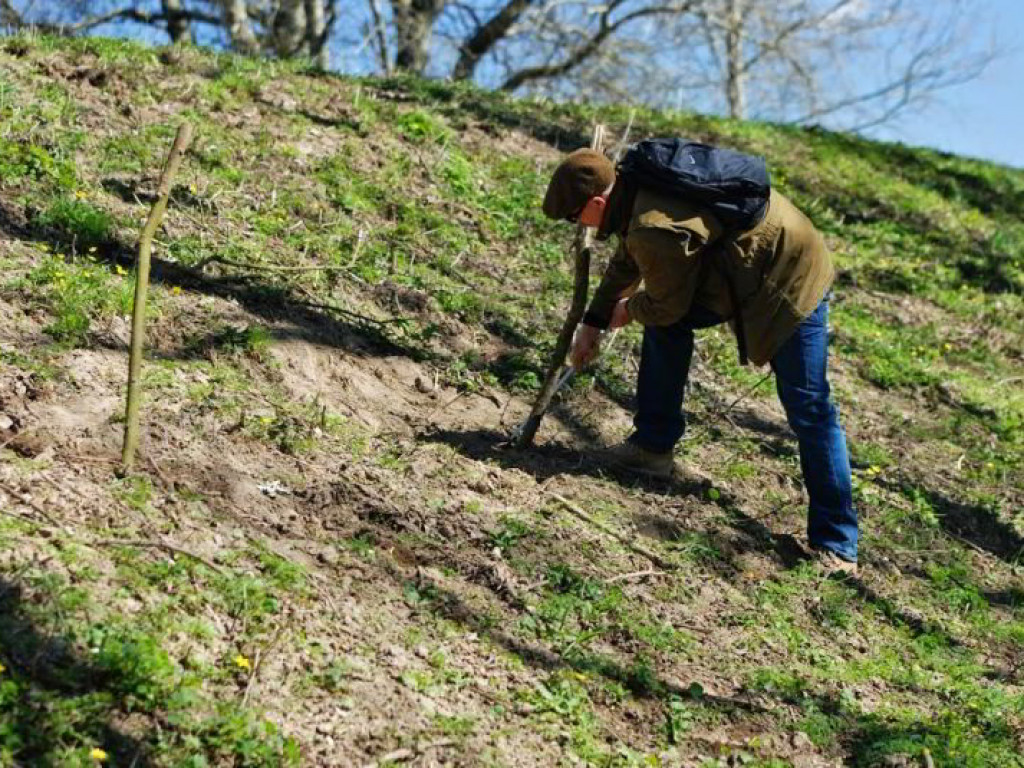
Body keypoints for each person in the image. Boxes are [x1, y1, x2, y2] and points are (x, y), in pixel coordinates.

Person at [542, 145, 859, 575]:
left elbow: (664, 304)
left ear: (597, 202)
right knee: (664, 326)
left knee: (810, 408)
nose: (575, 225)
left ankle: (837, 543)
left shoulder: (652, 227)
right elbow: (628, 261)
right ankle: (653, 447)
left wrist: (626, 311)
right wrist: (593, 322)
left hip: (790, 275)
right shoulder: (635, 190)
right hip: (745, 264)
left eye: (574, 216)